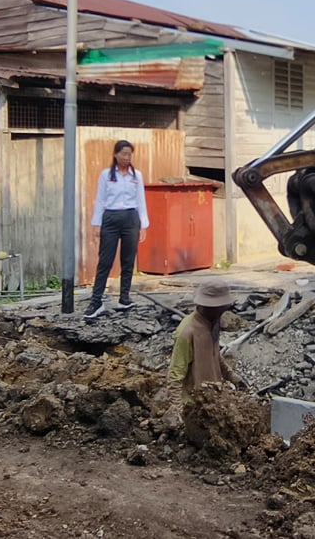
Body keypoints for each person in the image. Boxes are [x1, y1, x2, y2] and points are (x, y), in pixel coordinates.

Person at [85, 140, 150, 319]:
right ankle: (96, 301)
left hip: (130, 218)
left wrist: (143, 225)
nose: (126, 157)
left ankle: (124, 298)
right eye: (123, 154)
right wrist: (97, 223)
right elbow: (100, 199)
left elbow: (140, 200)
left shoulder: (136, 175)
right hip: (111, 218)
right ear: (115, 154)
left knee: (128, 260)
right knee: (105, 260)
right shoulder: (106, 175)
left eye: (129, 154)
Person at [164, 279, 242, 427]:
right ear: (207, 306)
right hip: (195, 407)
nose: (223, 311)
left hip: (214, 399)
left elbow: (214, 354)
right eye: (220, 308)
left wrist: (230, 375)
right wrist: (179, 410)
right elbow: (175, 376)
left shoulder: (212, 323)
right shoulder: (186, 333)